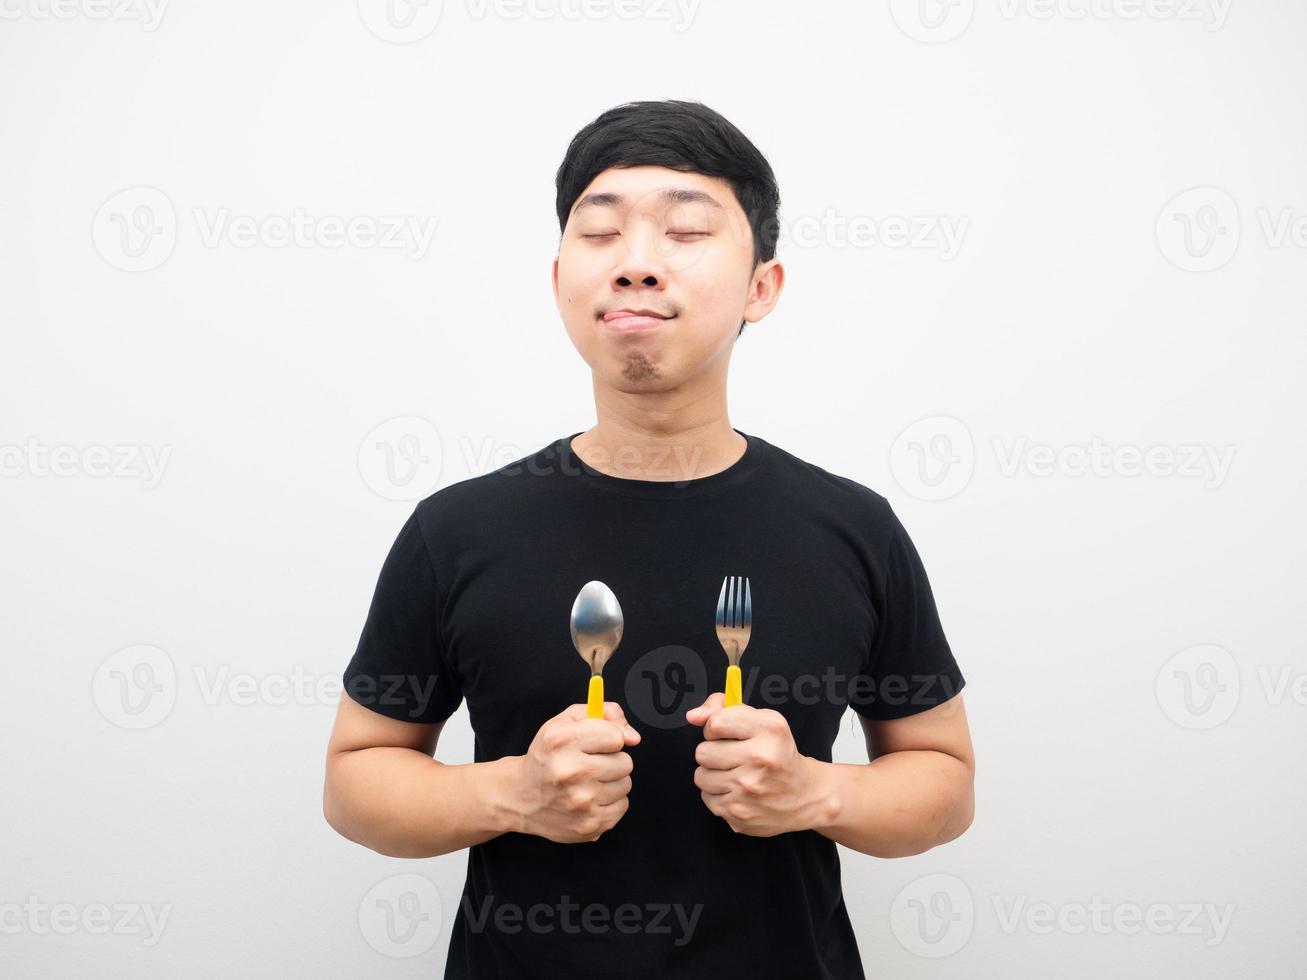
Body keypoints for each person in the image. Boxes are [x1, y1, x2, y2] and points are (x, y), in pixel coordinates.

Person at [323, 99, 975, 979]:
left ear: (761, 287)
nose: (636, 265)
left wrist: (816, 791)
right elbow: (355, 782)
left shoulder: (851, 527)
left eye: (684, 230)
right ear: (560, 280)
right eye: (601, 234)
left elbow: (942, 781)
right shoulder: (457, 530)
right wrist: (512, 791)